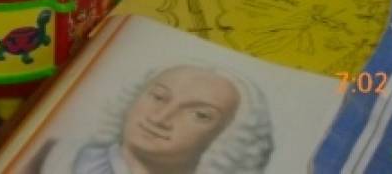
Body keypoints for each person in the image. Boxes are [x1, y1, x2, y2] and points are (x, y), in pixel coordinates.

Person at [26, 64, 274, 173]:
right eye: (158, 97)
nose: (161, 118)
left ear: (228, 134)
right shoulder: (53, 158)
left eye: (199, 114)